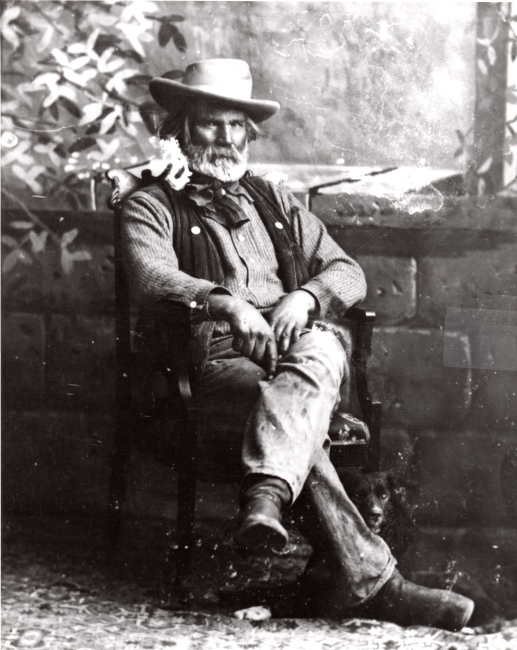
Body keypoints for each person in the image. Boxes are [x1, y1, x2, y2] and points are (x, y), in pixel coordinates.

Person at [120, 58, 474, 631]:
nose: (225, 138)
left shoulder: (275, 201)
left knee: (322, 349)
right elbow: (150, 276)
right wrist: (226, 303)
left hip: (297, 352)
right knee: (294, 415)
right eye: (210, 123)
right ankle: (376, 583)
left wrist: (306, 298)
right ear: (181, 129)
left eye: (237, 126)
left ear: (249, 134)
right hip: (217, 362)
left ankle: (266, 496)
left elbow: (347, 271)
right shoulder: (151, 204)